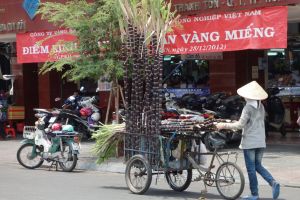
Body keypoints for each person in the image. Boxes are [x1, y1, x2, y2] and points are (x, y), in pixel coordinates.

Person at [215, 81, 280, 200]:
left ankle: (254, 194)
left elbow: (240, 126)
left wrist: (222, 125)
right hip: (261, 141)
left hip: (250, 142)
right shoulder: (261, 107)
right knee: (258, 166)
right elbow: (250, 123)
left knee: (251, 169)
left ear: (248, 96)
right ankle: (273, 182)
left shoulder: (247, 108)